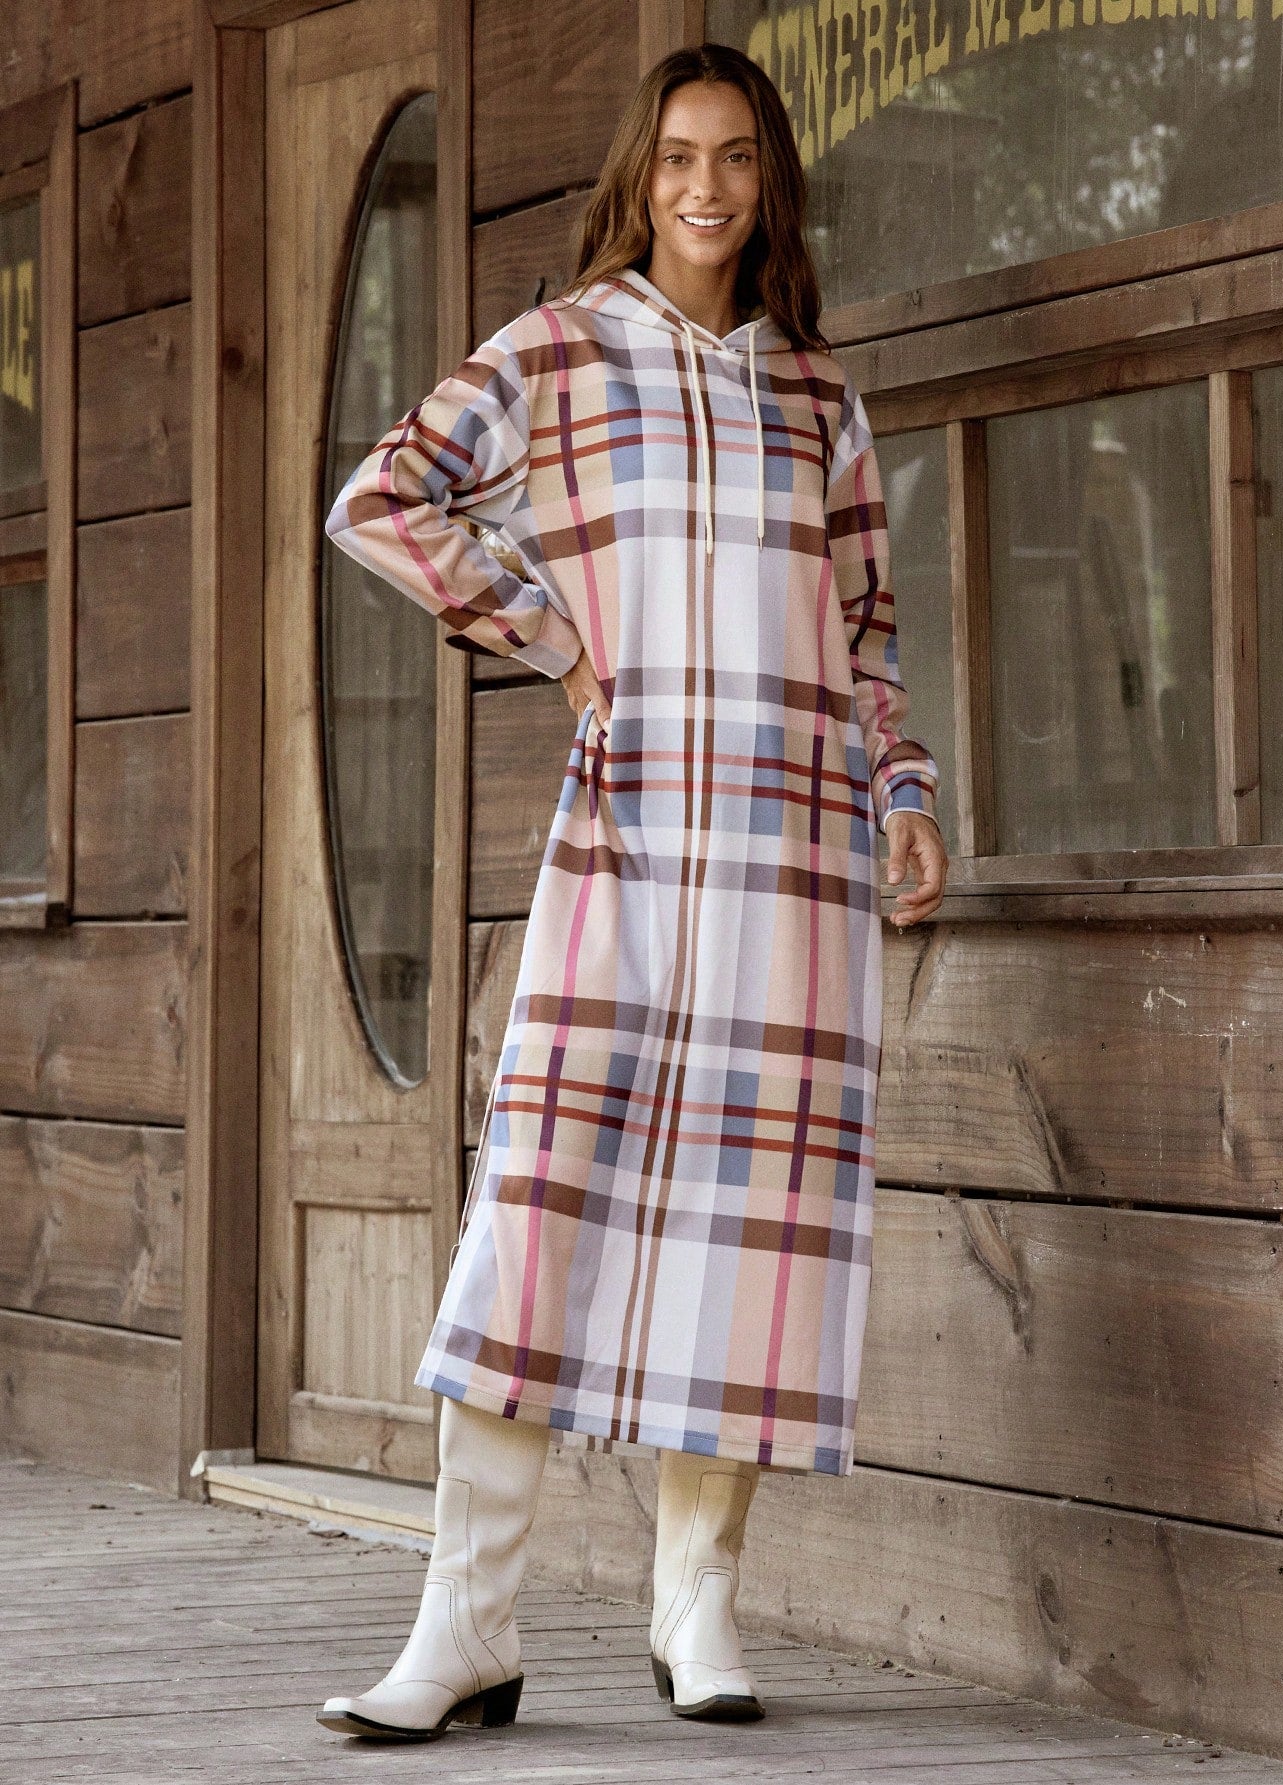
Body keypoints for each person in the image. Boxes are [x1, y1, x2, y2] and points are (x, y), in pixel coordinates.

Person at [316, 41, 946, 1743]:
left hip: (796, 864)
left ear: (770, 180)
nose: (705, 186)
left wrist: (901, 792)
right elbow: (380, 500)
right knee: (540, 1199)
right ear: (639, 173)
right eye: (678, 155)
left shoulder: (821, 399)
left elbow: (868, 638)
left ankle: (696, 1605)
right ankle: (466, 1622)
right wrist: (559, 641)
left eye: (735, 156)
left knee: (755, 1229)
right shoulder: (560, 349)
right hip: (632, 841)